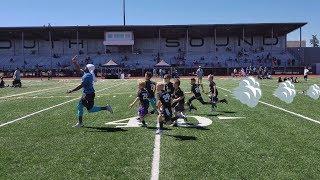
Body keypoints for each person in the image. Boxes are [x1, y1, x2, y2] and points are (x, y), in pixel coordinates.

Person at [67, 55, 113, 128]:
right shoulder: (87, 74)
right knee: (90, 110)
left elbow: (81, 85)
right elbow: (79, 69)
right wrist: (75, 62)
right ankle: (106, 108)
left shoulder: (87, 76)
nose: (84, 67)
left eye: (86, 67)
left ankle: (80, 123)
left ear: (88, 68)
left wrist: (71, 90)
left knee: (80, 106)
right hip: (89, 94)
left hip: (87, 95)